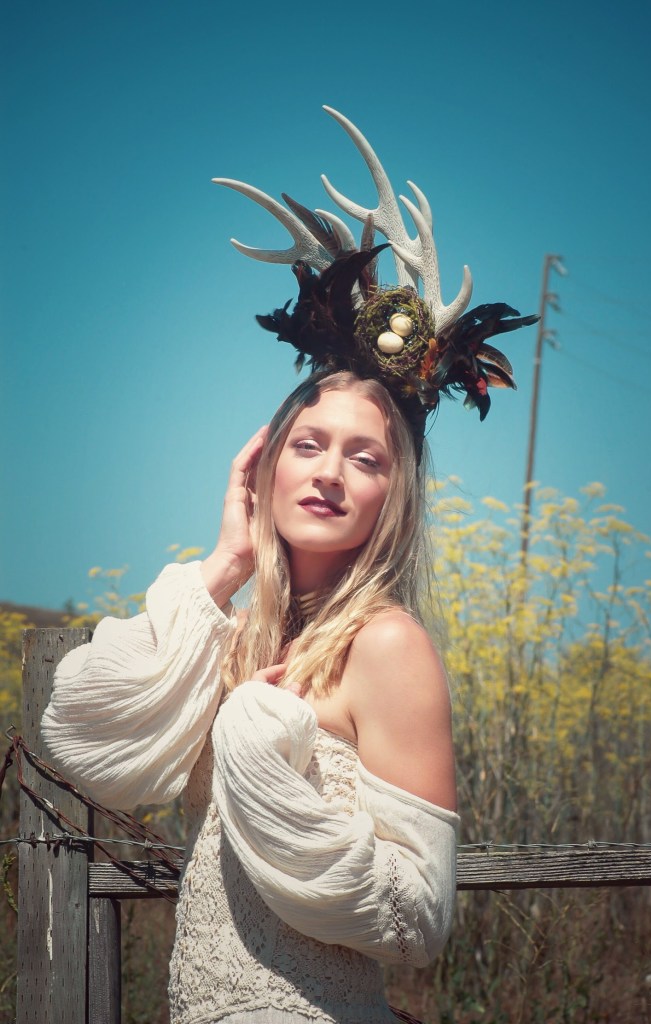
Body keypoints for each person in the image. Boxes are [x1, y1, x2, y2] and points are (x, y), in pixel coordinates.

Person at [42, 106, 537, 1023]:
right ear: (265, 463)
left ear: (396, 494)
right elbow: (82, 739)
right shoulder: (233, 630)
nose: (331, 472)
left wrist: (259, 748)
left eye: (366, 457)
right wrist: (223, 567)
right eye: (308, 443)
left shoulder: (387, 645)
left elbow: (415, 921)